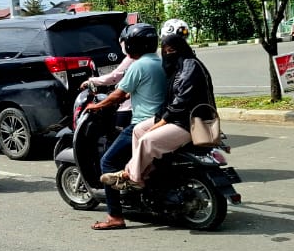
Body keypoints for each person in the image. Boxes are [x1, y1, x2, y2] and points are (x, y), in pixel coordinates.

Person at [101, 32, 215, 194]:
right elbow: (169, 99)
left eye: (171, 50)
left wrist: (162, 121)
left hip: (192, 122)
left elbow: (182, 101)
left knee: (148, 140)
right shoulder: (178, 67)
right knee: (138, 129)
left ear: (180, 48)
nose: (167, 53)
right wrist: (159, 118)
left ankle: (132, 178)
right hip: (179, 118)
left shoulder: (190, 66)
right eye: (165, 50)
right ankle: (143, 172)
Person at [85, 23, 167, 231]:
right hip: (162, 121)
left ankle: (114, 216)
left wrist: (97, 105)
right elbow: (141, 89)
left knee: (108, 161)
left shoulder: (138, 65)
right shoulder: (160, 62)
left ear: (131, 45)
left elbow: (118, 94)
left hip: (143, 122)